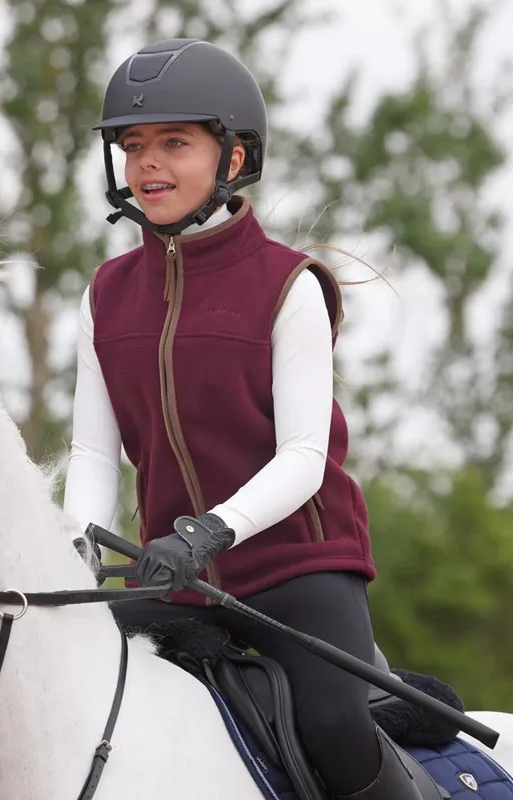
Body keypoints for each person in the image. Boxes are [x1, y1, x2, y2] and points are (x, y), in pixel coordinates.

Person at [63, 38, 421, 800]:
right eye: (132, 147)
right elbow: (93, 455)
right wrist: (77, 549)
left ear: (232, 158)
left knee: (335, 729)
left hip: (297, 572)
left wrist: (208, 530)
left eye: (173, 143)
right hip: (172, 580)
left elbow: (302, 456)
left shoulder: (289, 286)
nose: (147, 164)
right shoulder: (104, 295)